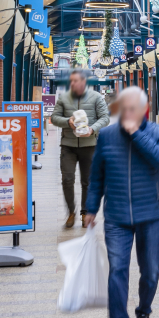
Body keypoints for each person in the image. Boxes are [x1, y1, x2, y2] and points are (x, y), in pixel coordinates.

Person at [84, 87, 159, 318]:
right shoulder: (107, 136)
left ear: (144, 110)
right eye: (123, 108)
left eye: (132, 109)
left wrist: (137, 134)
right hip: (116, 216)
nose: (127, 113)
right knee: (118, 270)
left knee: (151, 271)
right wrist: (90, 207)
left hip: (151, 215)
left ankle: (143, 312)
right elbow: (97, 175)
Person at [51, 70, 110, 228]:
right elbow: (54, 118)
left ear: (83, 82)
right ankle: (71, 212)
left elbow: (105, 118)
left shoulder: (96, 97)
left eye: (75, 81)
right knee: (67, 179)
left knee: (88, 182)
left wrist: (93, 129)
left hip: (89, 146)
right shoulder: (64, 98)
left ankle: (85, 213)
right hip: (68, 146)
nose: (72, 84)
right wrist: (67, 122)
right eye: (71, 81)